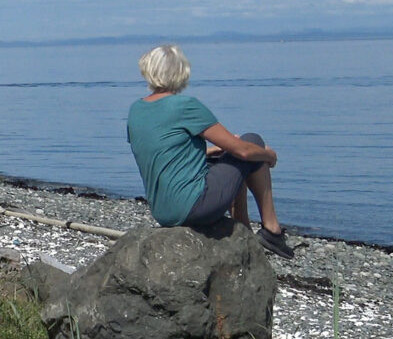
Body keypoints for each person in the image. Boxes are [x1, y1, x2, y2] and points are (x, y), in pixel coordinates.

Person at [126, 44, 294, 259]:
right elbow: (242, 150)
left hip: (162, 211)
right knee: (252, 142)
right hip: (194, 206)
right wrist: (269, 156)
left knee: (231, 155)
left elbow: (159, 153)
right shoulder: (185, 106)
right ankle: (272, 230)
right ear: (181, 72)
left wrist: (209, 152)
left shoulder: (136, 109)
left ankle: (242, 229)